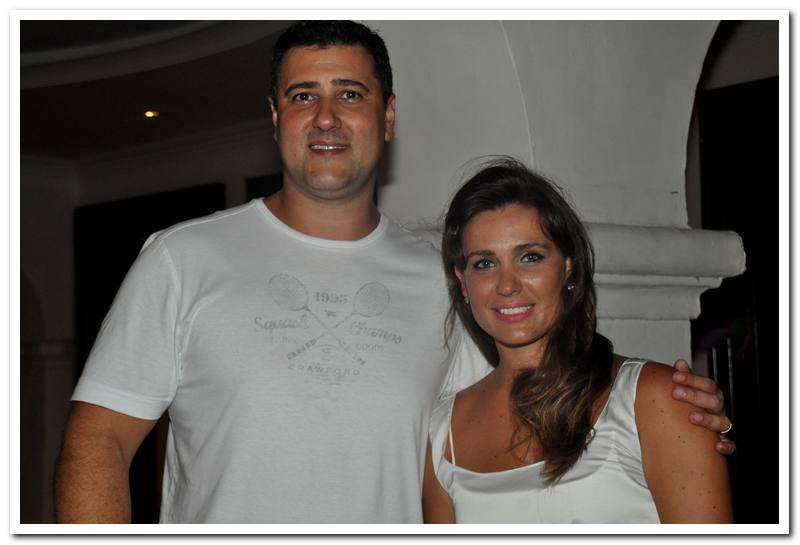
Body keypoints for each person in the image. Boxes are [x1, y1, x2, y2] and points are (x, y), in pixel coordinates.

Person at [55, 21, 733, 524]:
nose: (326, 117)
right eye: (303, 95)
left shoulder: (444, 277)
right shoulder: (182, 258)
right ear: (275, 116)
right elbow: (99, 440)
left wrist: (663, 407)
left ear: (387, 116)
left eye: (350, 94)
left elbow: (526, 382)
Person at [422, 157, 732, 523]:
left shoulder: (657, 400)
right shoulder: (442, 432)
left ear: (568, 268)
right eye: (485, 264)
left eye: (530, 257)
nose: (507, 285)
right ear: (462, 282)